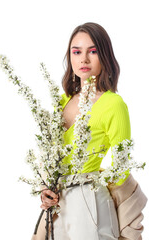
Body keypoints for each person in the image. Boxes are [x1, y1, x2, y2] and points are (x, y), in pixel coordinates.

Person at [34, 22, 147, 240]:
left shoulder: (113, 104)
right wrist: (46, 189)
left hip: (90, 203)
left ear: (104, 55)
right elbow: (50, 157)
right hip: (57, 207)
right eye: (76, 52)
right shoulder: (62, 101)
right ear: (70, 57)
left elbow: (121, 167)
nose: (84, 59)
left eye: (92, 51)